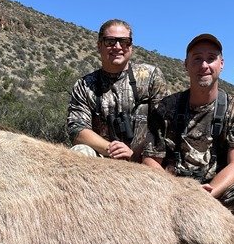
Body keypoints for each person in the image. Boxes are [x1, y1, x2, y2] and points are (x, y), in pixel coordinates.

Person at [142, 33, 234, 235]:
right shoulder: (166, 107)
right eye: (197, 59)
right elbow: (151, 160)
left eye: (211, 58)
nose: (204, 65)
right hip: (173, 194)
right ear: (186, 65)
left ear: (221, 64)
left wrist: (206, 194)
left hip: (216, 193)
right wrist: (177, 191)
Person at [67, 19, 167, 161]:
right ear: (99, 46)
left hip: (144, 157)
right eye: (110, 41)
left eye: (125, 42)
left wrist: (135, 153)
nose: (118, 47)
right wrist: (112, 149)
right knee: (79, 151)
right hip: (103, 155)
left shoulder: (151, 76)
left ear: (131, 46)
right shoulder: (84, 85)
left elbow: (162, 124)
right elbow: (77, 129)